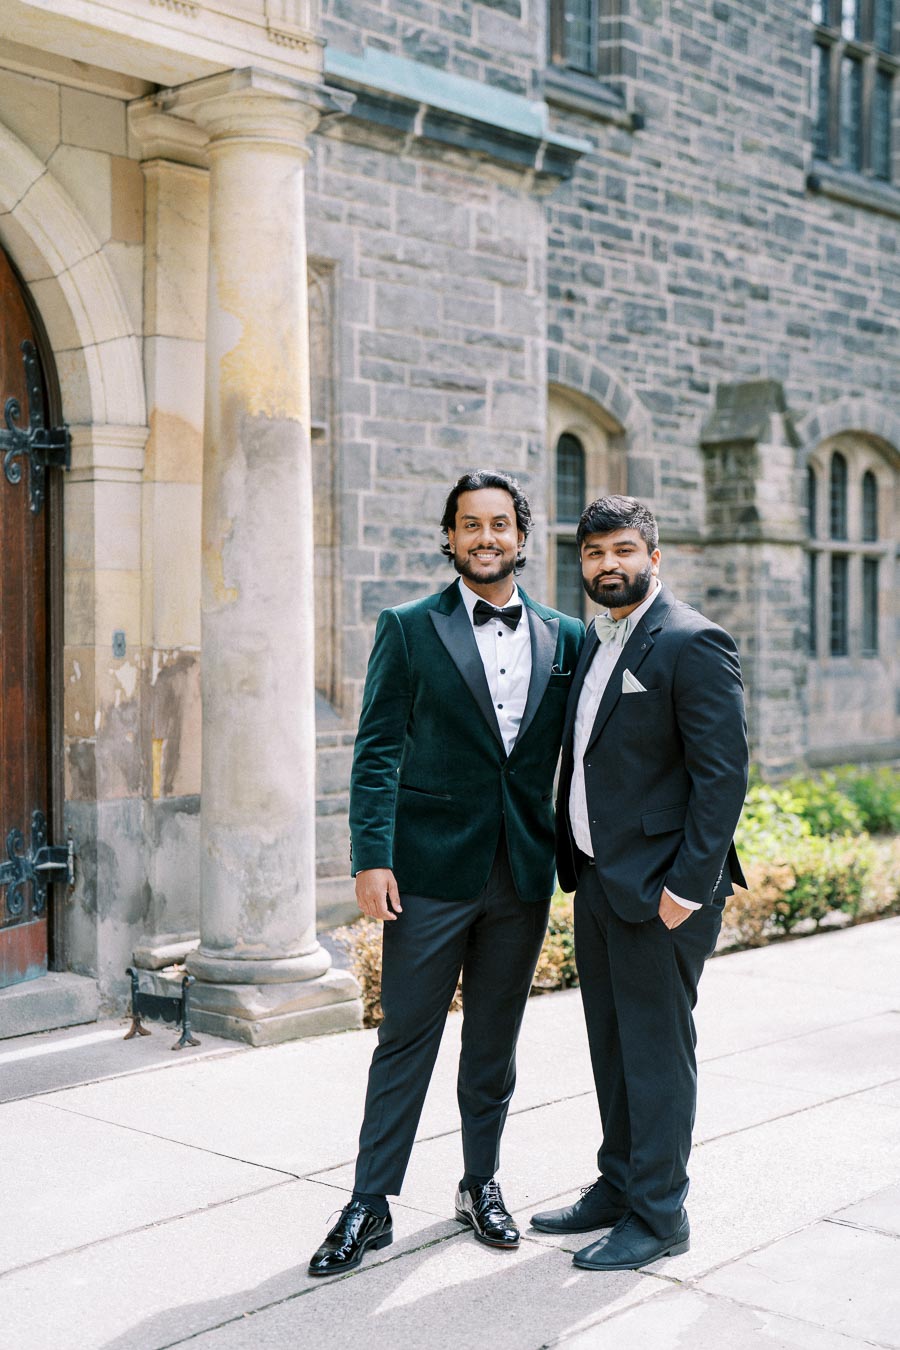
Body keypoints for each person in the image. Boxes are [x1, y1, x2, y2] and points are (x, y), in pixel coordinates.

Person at [308, 469, 585, 1277]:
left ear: (523, 539)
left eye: (501, 524)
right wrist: (371, 857)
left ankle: (480, 1184)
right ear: (450, 537)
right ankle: (370, 1202)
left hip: (521, 874)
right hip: (426, 872)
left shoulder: (564, 636)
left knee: (494, 1044)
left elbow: (586, 750)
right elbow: (377, 751)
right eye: (471, 525)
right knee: (405, 1040)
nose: (487, 538)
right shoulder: (407, 627)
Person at [531, 495, 748, 1271]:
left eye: (623, 550)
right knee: (612, 1046)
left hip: (663, 891)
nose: (607, 565)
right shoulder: (594, 641)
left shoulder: (693, 641)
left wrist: (686, 890)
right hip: (598, 879)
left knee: (656, 1053)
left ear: (654, 557)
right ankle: (618, 1184)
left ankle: (660, 1217)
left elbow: (722, 780)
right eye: (593, 554)